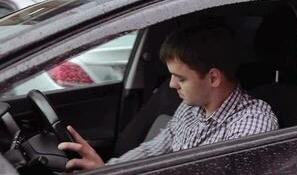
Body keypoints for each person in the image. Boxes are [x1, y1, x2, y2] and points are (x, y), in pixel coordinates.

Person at [58, 24, 279, 170]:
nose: (172, 85)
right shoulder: (191, 108)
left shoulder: (252, 123)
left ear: (213, 78)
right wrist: (108, 169)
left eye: (180, 79)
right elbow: (153, 150)